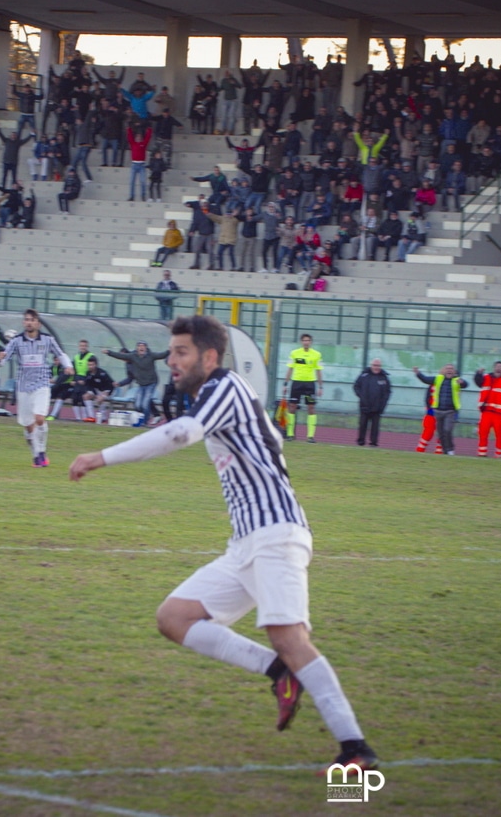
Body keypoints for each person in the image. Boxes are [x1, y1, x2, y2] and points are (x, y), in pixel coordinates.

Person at [68, 315, 381, 774]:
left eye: (181, 352)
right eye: (171, 352)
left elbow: (182, 434)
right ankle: (279, 673)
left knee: (291, 638)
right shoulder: (213, 394)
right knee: (174, 617)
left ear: (209, 357)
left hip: (275, 534)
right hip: (246, 543)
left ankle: (356, 752)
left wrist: (101, 456)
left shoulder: (225, 388)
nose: (171, 361)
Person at [0, 309, 73, 467]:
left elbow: (60, 353)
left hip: (42, 384)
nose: (29, 322)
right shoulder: (16, 341)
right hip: (23, 387)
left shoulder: (47, 339)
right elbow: (2, 361)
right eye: (26, 319)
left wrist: (68, 366)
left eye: (32, 320)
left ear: (38, 323)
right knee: (28, 425)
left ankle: (42, 451)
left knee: (39, 418)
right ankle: (36, 455)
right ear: (24, 322)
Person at [104, 341, 169, 426]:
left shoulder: (151, 355)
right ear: (137, 348)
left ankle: (144, 422)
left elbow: (162, 355)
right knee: (138, 405)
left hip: (151, 382)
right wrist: (109, 352)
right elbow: (121, 356)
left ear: (146, 348)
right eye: (139, 346)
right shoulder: (133, 356)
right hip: (141, 384)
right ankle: (146, 417)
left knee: (145, 403)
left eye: (143, 346)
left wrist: (170, 350)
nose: (141, 348)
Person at [413, 364, 467, 455]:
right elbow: (427, 396)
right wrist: (418, 374)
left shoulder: (455, 382)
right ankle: (420, 450)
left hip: (448, 410)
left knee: (445, 431)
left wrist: (461, 382)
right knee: (431, 432)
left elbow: (464, 385)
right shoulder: (437, 381)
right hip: (434, 411)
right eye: (445, 370)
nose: (446, 372)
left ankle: (441, 451)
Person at [283, 333, 323, 443]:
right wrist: (285, 384)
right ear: (301, 342)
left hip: (309, 385)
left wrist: (320, 386)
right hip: (297, 384)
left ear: (311, 342)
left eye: (308, 340)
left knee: (311, 408)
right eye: (304, 340)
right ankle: (290, 434)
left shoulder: (316, 355)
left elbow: (319, 371)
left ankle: (310, 436)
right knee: (292, 407)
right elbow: (290, 369)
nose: (306, 342)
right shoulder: (294, 353)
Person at [473, 361, 501, 458]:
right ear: (493, 368)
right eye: (497, 366)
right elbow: (478, 382)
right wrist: (478, 373)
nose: (499, 368)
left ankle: (499, 454)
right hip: (487, 410)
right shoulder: (486, 377)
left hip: (499, 413)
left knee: (500, 435)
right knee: (483, 432)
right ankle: (482, 452)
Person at [353, 359, 390, 446]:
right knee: (362, 424)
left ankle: (373, 442)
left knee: (375, 426)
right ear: (371, 365)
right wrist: (362, 396)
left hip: (377, 406)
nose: (376, 367)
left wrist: (383, 403)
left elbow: (387, 392)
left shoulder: (384, 377)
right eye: (375, 365)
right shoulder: (364, 375)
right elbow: (356, 386)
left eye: (378, 366)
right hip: (364, 405)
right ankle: (361, 441)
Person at [79, 357, 116, 424]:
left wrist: (105, 393)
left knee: (100, 399)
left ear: (96, 365)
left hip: (106, 391)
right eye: (89, 365)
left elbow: (110, 385)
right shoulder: (88, 373)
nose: (90, 367)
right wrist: (91, 392)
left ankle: (103, 417)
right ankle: (92, 417)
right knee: (85, 396)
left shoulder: (102, 373)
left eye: (92, 365)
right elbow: (88, 385)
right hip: (96, 391)